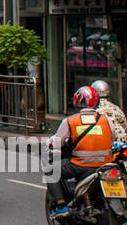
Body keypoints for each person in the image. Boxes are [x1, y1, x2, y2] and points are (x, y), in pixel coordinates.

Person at [46, 86, 114, 214]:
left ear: (77, 101)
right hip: (105, 165)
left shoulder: (71, 121)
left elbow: (57, 141)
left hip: (81, 165)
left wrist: (49, 142)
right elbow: (112, 139)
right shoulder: (106, 120)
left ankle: (61, 206)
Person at [90, 78, 127, 144]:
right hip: (121, 142)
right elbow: (124, 124)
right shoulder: (115, 108)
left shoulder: (94, 109)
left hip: (105, 143)